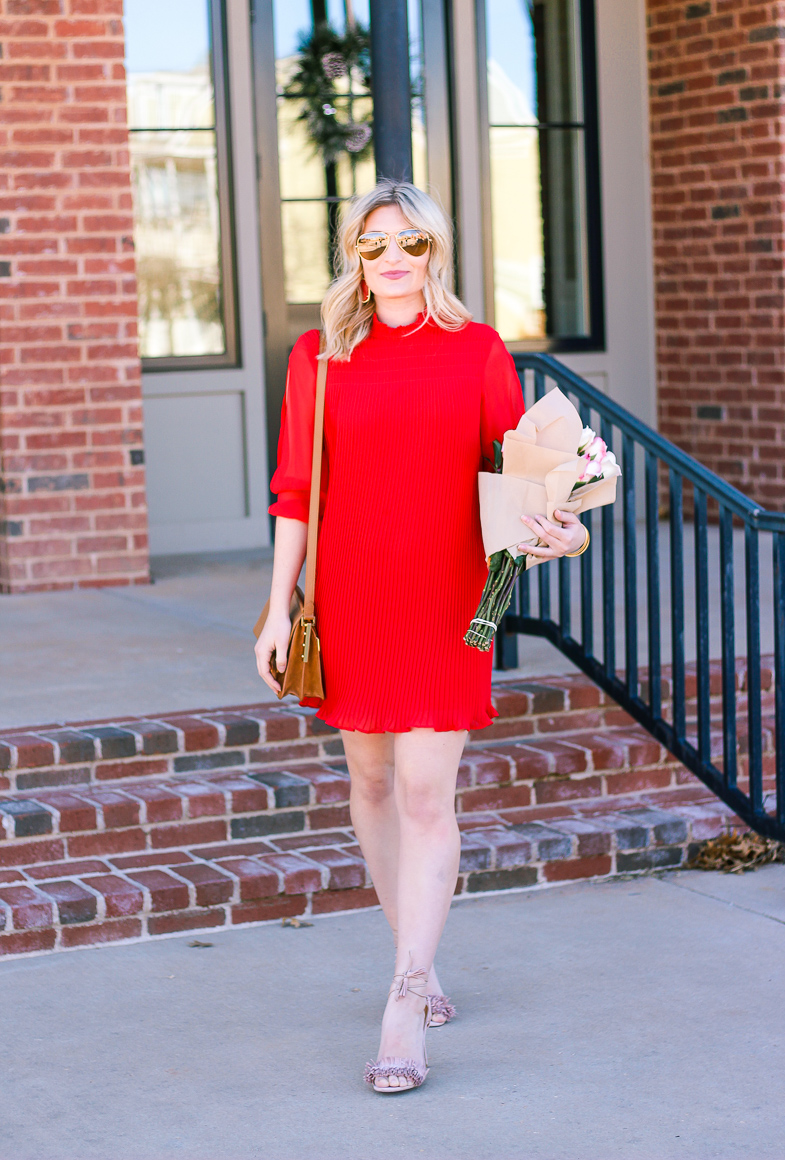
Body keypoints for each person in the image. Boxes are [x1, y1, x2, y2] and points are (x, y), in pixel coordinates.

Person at [255, 181, 588, 1093]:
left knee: (425, 795)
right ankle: (419, 949)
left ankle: (405, 998)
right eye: (373, 246)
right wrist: (279, 607)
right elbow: (293, 493)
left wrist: (566, 527)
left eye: (410, 243)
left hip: (446, 597)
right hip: (352, 595)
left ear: (435, 251)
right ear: (351, 258)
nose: (394, 260)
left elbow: (518, 476)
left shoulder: (477, 350)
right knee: (368, 779)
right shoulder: (318, 358)